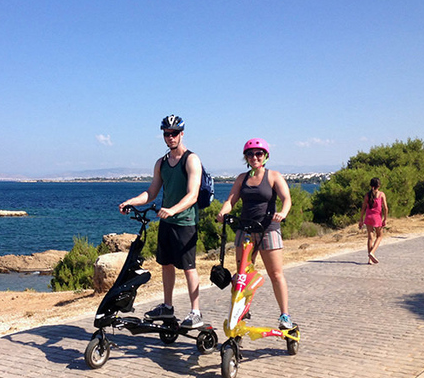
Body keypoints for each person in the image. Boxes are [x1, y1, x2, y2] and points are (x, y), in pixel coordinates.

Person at [119, 115, 204, 329]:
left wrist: (173, 210)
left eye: (174, 133)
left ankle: (196, 312)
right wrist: (132, 202)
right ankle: (167, 307)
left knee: (188, 267)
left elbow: (193, 195)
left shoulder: (191, 159)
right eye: (167, 133)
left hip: (185, 222)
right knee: (166, 265)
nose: (170, 137)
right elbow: (152, 192)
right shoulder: (162, 163)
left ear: (182, 134)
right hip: (167, 222)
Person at [215, 138, 295, 330]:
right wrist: (223, 212)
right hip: (245, 229)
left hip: (268, 229)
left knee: (276, 274)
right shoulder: (242, 178)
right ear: (246, 157)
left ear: (265, 156)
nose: (254, 157)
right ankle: (241, 310)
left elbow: (286, 199)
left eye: (258, 154)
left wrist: (283, 213)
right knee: (242, 275)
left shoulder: (273, 176)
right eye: (250, 154)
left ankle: (284, 315)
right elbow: (231, 200)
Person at [358, 177, 388, 264]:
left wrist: (361, 220)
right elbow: (385, 208)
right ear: (379, 185)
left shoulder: (367, 195)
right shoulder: (381, 194)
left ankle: (370, 259)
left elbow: (363, 208)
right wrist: (385, 219)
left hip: (368, 217)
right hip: (377, 218)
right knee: (379, 236)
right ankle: (372, 252)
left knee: (370, 238)